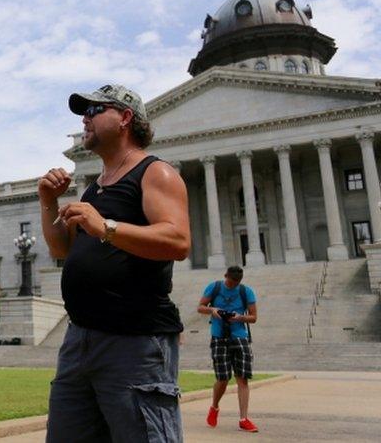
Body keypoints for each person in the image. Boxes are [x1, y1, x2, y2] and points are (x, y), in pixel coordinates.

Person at [40, 84, 189, 442]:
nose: (84, 118)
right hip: (80, 340)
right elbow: (63, 249)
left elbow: (178, 240)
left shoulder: (155, 173)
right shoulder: (95, 188)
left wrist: (104, 226)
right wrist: (47, 202)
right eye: (83, 112)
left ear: (124, 118)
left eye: (94, 110)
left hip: (134, 341)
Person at [198, 266, 259, 433]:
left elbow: (254, 317)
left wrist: (240, 317)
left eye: (236, 283)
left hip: (239, 336)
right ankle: (214, 407)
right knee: (223, 378)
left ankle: (243, 418)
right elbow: (200, 307)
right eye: (231, 282)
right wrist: (213, 310)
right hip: (219, 336)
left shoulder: (246, 292)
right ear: (225, 276)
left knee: (243, 378)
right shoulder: (214, 287)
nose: (233, 285)